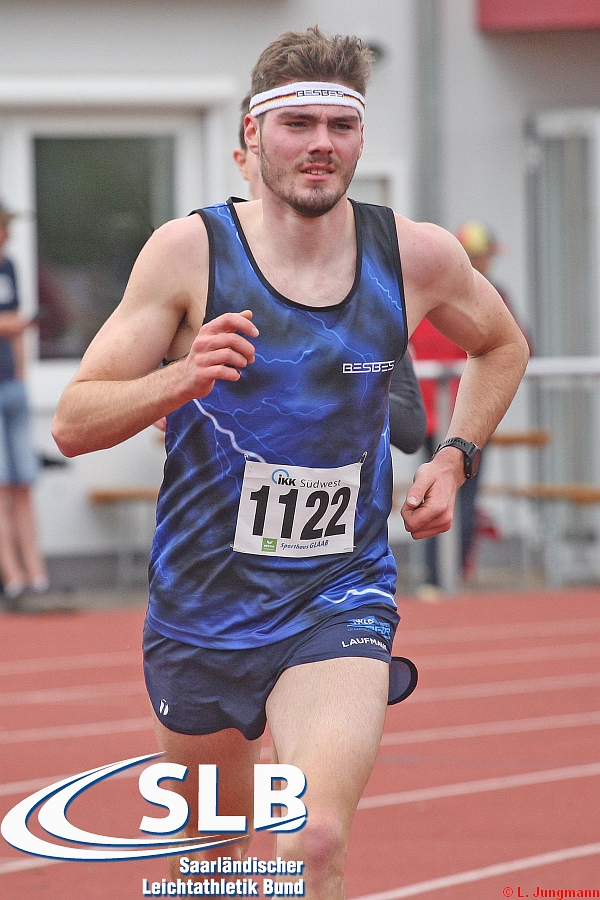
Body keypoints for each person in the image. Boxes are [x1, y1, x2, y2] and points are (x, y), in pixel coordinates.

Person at [52, 27, 528, 899]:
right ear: (252, 137)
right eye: (298, 124)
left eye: (340, 126)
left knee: (312, 837)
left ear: (359, 137)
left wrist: (457, 456)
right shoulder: (189, 253)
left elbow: (501, 344)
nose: (320, 145)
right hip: (203, 603)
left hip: (337, 592)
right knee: (210, 864)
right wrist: (181, 377)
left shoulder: (412, 254)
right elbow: (74, 422)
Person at [233, 92, 427, 458]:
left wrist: (326, 385)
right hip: (223, 489)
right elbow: (129, 388)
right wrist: (174, 386)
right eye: (291, 134)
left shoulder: (365, 273)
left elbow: (411, 425)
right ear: (247, 156)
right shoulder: (204, 259)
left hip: (347, 493)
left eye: (338, 127)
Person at [0, 201, 49, 609]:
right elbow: (14, 323)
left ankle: (37, 576)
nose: (8, 235)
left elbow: (15, 326)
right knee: (1, 486)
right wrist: (19, 325)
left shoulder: (9, 267)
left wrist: (22, 378)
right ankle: (12, 577)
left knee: (23, 482)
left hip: (12, 388)